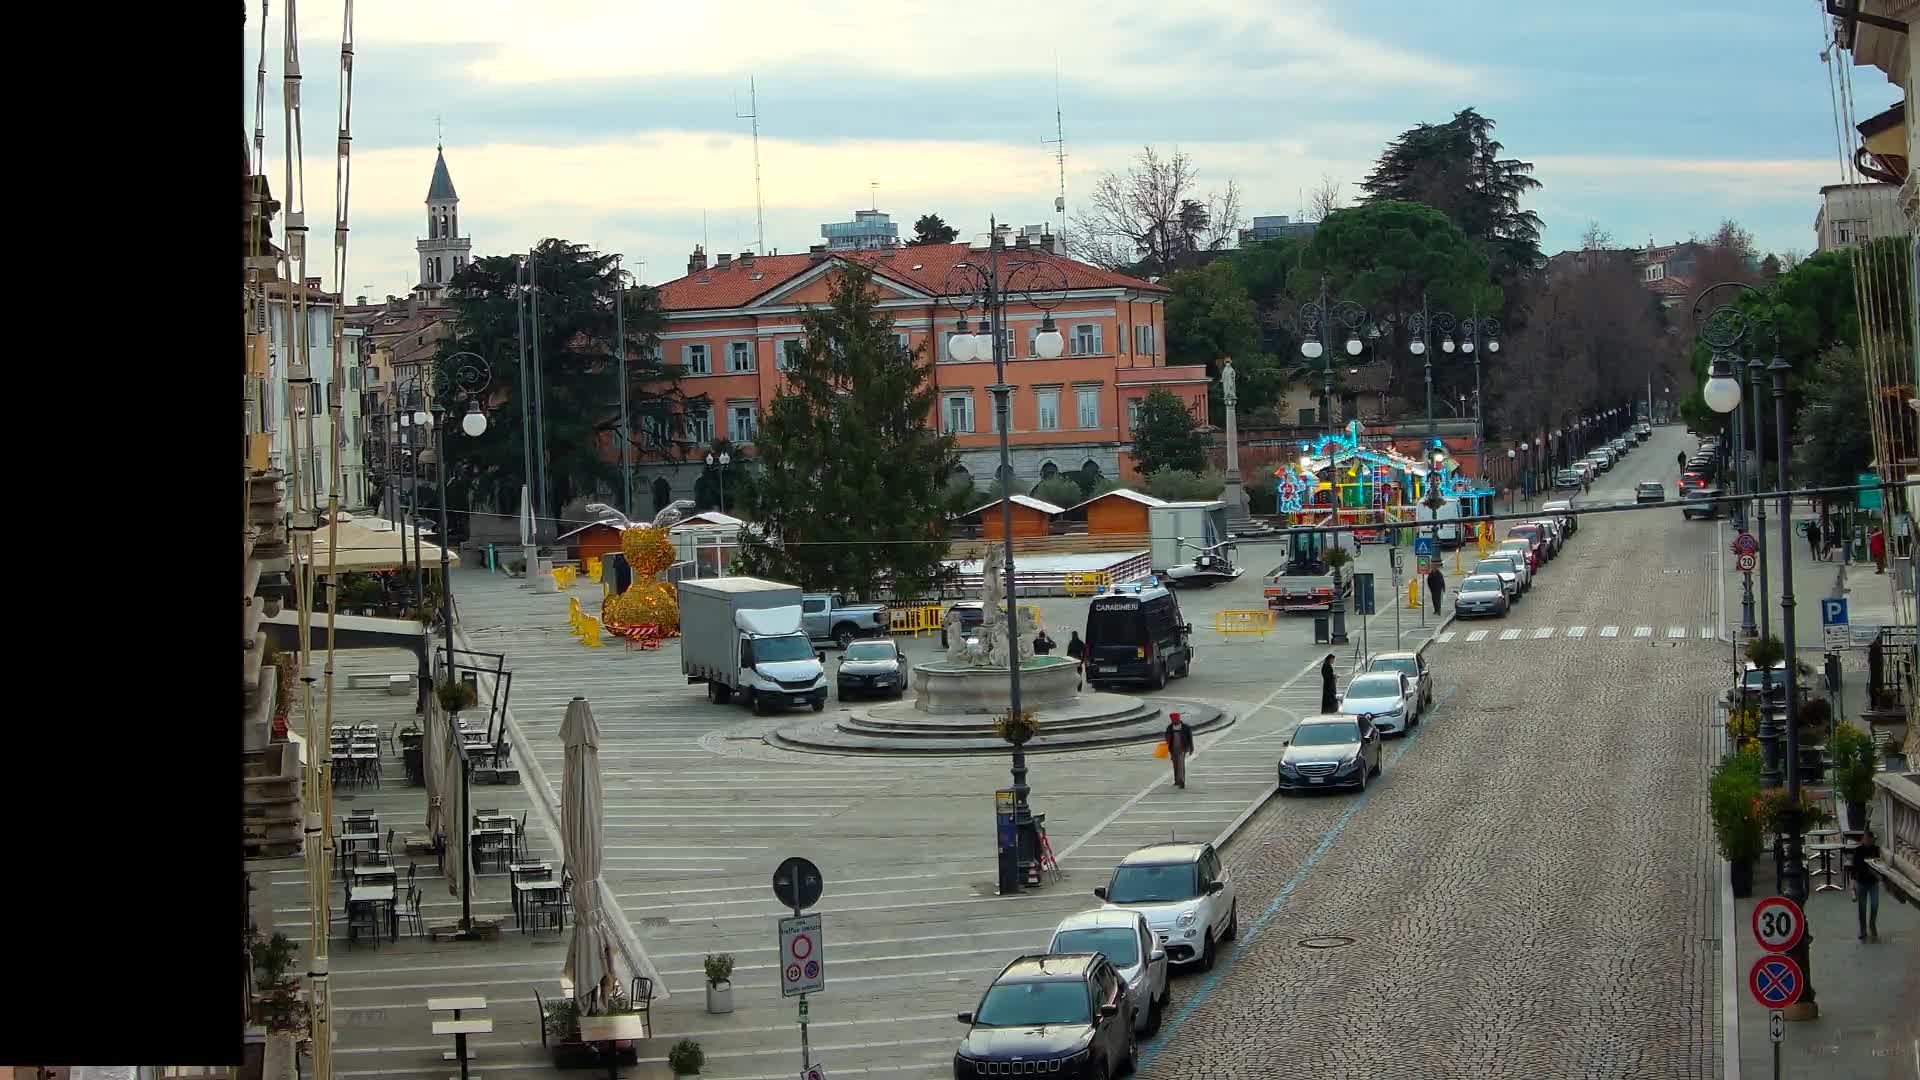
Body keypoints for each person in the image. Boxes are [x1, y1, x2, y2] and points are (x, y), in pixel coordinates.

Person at [1851, 828, 1881, 940]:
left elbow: (1879, 865)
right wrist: (1852, 884)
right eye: (1865, 839)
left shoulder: (1876, 850)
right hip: (1861, 882)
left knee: (1874, 905)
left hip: (1873, 882)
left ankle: (1872, 924)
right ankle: (1862, 929)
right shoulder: (1858, 850)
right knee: (1862, 907)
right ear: (1863, 839)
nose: (1866, 841)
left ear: (1872, 839)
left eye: (1869, 839)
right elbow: (1854, 868)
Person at [1164, 710, 1195, 789]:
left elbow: (1190, 738)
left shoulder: (1186, 727)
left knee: (1181, 764)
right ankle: (1176, 780)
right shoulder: (1169, 728)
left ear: (1178, 719)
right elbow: (1166, 737)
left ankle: (1182, 781)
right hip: (1173, 749)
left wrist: (1191, 748)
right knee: (1175, 765)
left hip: (1182, 749)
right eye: (1173, 720)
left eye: (1175, 719)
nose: (1174, 721)